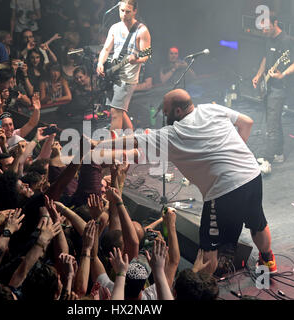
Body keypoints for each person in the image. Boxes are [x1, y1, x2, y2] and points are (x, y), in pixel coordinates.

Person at [92, 88, 278, 275]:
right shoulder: (210, 109)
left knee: (208, 246)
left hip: (222, 189)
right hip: (251, 174)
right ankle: (268, 260)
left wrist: (99, 144)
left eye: (166, 113)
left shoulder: (172, 134)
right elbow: (247, 122)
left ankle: (202, 289)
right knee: (257, 222)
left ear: (177, 111)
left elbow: (132, 141)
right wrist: (233, 155)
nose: (165, 117)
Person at [252, 13, 294, 175]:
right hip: (268, 85)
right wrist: (259, 75)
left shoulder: (286, 40)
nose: (263, 31)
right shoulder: (269, 39)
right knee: (274, 121)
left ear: (275, 23)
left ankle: (267, 160)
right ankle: (278, 153)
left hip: (280, 88)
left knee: (271, 125)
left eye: (266, 27)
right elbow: (266, 58)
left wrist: (282, 74)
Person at [96, 0, 151, 131]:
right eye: (122, 11)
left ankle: (114, 145)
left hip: (127, 78)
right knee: (120, 111)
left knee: (115, 113)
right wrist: (100, 63)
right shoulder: (115, 27)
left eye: (128, 11)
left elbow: (146, 54)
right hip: (113, 73)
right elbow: (106, 49)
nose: (124, 14)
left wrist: (136, 60)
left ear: (135, 11)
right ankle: (130, 139)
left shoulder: (142, 30)